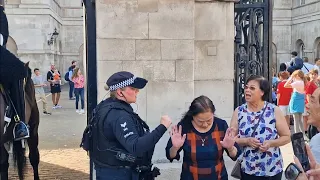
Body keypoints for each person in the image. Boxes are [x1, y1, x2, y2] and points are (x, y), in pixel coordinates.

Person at [91, 71, 172, 180]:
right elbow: (136, 147)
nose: (137, 92)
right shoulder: (119, 116)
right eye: (133, 89)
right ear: (120, 92)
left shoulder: (106, 107)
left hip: (112, 172)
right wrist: (162, 127)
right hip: (119, 174)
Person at [165, 95, 241, 180]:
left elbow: (235, 155)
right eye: (200, 121)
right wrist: (175, 148)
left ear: (213, 114)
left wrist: (230, 148)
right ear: (192, 116)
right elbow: (170, 155)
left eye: (209, 120)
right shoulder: (184, 127)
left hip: (218, 177)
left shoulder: (221, 125)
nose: (205, 124)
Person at [230, 75, 291, 180]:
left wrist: (271, 143)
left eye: (252, 88)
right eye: (246, 87)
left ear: (262, 92)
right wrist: (246, 141)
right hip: (248, 168)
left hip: (272, 168)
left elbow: (286, 137)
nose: (247, 90)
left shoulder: (273, 110)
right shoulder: (239, 111)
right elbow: (231, 139)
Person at [285, 70, 306, 134]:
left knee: (296, 120)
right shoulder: (302, 82)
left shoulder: (298, 83)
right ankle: (303, 134)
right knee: (299, 119)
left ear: (297, 76)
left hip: (296, 100)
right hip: (300, 101)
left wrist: (290, 78)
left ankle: (297, 134)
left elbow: (285, 85)